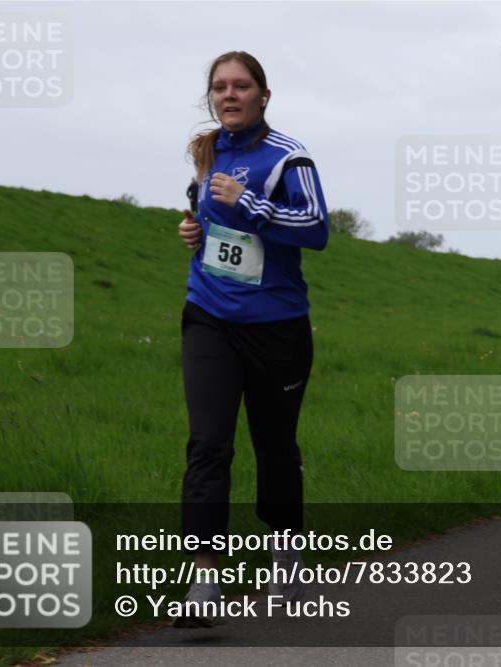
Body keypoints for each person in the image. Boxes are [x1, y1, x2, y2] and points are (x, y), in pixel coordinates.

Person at [174, 51, 329, 626]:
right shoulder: (210, 151)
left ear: (264, 95)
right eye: (219, 87)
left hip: (277, 328)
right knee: (208, 444)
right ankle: (204, 579)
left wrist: (253, 205)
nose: (229, 95)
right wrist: (193, 230)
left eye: (241, 86)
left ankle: (285, 548)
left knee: (275, 445)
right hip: (209, 315)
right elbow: (206, 216)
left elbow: (316, 230)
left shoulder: (290, 157)